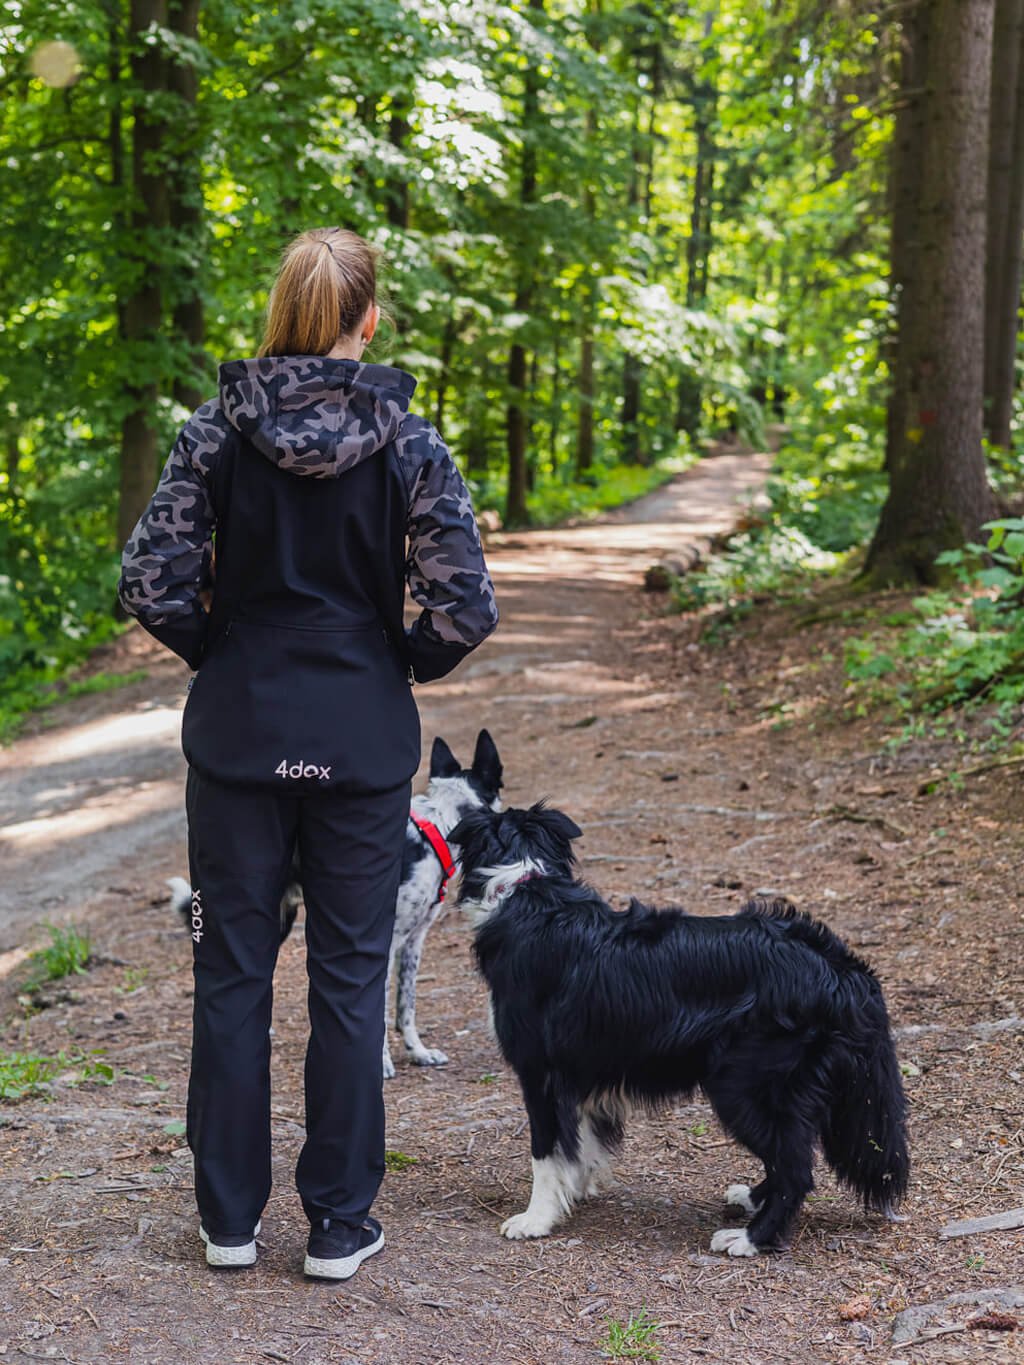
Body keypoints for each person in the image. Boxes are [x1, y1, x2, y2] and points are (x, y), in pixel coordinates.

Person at [118, 227, 498, 1279]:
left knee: (232, 976)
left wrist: (226, 653)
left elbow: (149, 582)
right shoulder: (409, 441)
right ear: (367, 320)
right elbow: (466, 605)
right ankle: (339, 1224)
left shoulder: (212, 434)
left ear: (279, 313)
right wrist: (392, 667)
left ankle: (229, 1223)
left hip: (239, 733)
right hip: (362, 739)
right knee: (345, 980)